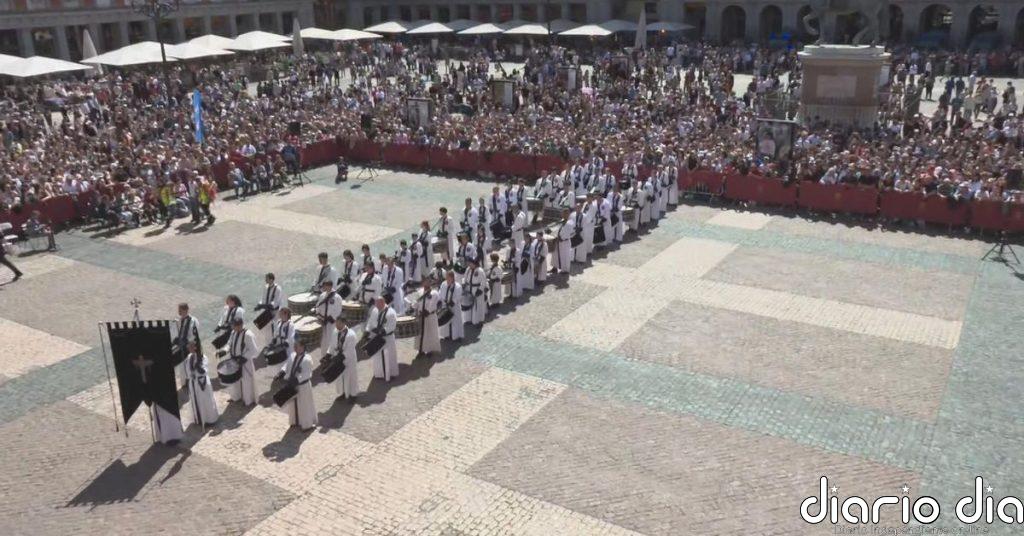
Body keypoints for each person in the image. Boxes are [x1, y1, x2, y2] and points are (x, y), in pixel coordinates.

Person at [275, 340, 316, 432]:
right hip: (292, 385)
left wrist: (298, 379)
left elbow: (307, 373)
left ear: (303, 347)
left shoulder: (307, 359)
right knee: (293, 404)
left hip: (303, 386)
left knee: (304, 405)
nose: (295, 348)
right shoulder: (293, 355)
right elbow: (287, 365)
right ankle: (295, 421)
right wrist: (282, 372)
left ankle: (307, 424)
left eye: (297, 346)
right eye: (294, 346)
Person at [183, 340, 219, 427]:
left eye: (191, 347)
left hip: (202, 383)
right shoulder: (189, 357)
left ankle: (209, 419)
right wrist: (190, 377)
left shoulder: (203, 357)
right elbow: (188, 370)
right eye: (189, 347)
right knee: (196, 400)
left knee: (205, 400)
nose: (189, 349)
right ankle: (199, 419)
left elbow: (204, 371)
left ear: (195, 347)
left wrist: (198, 366)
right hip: (193, 383)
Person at [225, 318, 257, 406]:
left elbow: (254, 350)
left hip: (245, 362)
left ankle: (248, 401)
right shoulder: (233, 332)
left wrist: (244, 358)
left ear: (239, 325)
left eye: (234, 326)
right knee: (234, 380)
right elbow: (229, 343)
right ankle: (236, 397)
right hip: (234, 360)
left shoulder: (248, 335)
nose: (232, 328)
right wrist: (225, 350)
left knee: (246, 381)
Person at [365, 297, 398, 382]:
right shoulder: (375, 310)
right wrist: (368, 331)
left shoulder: (391, 312)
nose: (377, 306)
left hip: (387, 338)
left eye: (378, 304)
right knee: (377, 355)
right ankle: (379, 374)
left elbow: (392, 326)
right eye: (376, 304)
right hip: (376, 337)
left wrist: (383, 331)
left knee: (388, 356)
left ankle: (390, 374)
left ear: (383, 302)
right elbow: (370, 321)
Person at [326, 317, 359, 399]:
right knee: (340, 377)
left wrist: (340, 357)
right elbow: (332, 344)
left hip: (348, 360)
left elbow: (350, 349)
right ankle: (342, 393)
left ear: (344, 323)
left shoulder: (351, 335)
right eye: (336, 323)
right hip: (338, 358)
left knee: (350, 377)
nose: (336, 325)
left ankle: (353, 395)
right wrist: (329, 353)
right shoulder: (335, 332)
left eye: (339, 323)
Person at [173, 303, 200, 384]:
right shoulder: (181, 319)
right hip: (181, 346)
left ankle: (190, 381)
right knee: (181, 365)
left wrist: (188, 343)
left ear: (186, 310)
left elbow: (194, 335)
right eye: (179, 310)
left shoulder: (193, 321)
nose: (179, 312)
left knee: (189, 364)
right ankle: (184, 382)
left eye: (180, 310)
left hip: (189, 346)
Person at [413, 279, 441, 357]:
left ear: (430, 283)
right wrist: (414, 307)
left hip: (430, 316)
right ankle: (420, 350)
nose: (426, 283)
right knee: (420, 334)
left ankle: (429, 350)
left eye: (428, 282)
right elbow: (416, 302)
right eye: (425, 282)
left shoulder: (434, 293)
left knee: (430, 333)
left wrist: (427, 311)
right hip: (420, 316)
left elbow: (433, 303)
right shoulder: (419, 292)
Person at [314, 280, 342, 357]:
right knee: (323, 340)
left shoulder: (337, 297)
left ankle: (331, 356)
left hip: (331, 322)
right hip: (323, 320)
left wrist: (332, 318)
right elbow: (318, 306)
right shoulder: (322, 295)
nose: (323, 288)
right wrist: (318, 315)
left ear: (330, 286)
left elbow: (338, 310)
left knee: (331, 339)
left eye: (325, 286)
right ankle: (323, 356)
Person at [255, 272, 284, 345]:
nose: (265, 280)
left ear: (271, 279)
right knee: (267, 327)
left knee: (276, 326)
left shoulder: (278, 289)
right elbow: (263, 298)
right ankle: (269, 342)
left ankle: (277, 342)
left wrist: (264, 306)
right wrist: (260, 304)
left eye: (267, 278)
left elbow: (276, 302)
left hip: (275, 311)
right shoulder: (266, 287)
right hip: (267, 310)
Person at [437, 270, 464, 340]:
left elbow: (457, 297)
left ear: (452, 278)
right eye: (446, 278)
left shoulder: (457, 286)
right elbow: (440, 293)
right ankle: (446, 335)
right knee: (445, 321)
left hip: (454, 307)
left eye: (449, 278)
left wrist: (451, 303)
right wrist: (439, 301)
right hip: (444, 305)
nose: (447, 280)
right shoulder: (443, 284)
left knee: (456, 321)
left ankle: (457, 336)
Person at [462, 257, 487, 326]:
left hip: (476, 290)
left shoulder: (480, 271)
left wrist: (480, 290)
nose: (468, 264)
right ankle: (469, 320)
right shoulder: (468, 269)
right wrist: (463, 283)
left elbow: (483, 281)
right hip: (468, 289)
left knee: (477, 306)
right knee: (468, 305)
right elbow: (464, 277)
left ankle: (478, 321)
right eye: (468, 263)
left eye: (470, 263)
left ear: (474, 263)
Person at [552, 210, 574, 274]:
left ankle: (565, 270)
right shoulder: (561, 221)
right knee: (555, 254)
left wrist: (561, 238)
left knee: (565, 256)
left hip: (565, 241)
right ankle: (554, 268)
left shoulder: (570, 222)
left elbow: (569, 232)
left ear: (568, 214)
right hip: (558, 240)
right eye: (563, 213)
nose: (563, 215)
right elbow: (557, 229)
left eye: (565, 213)